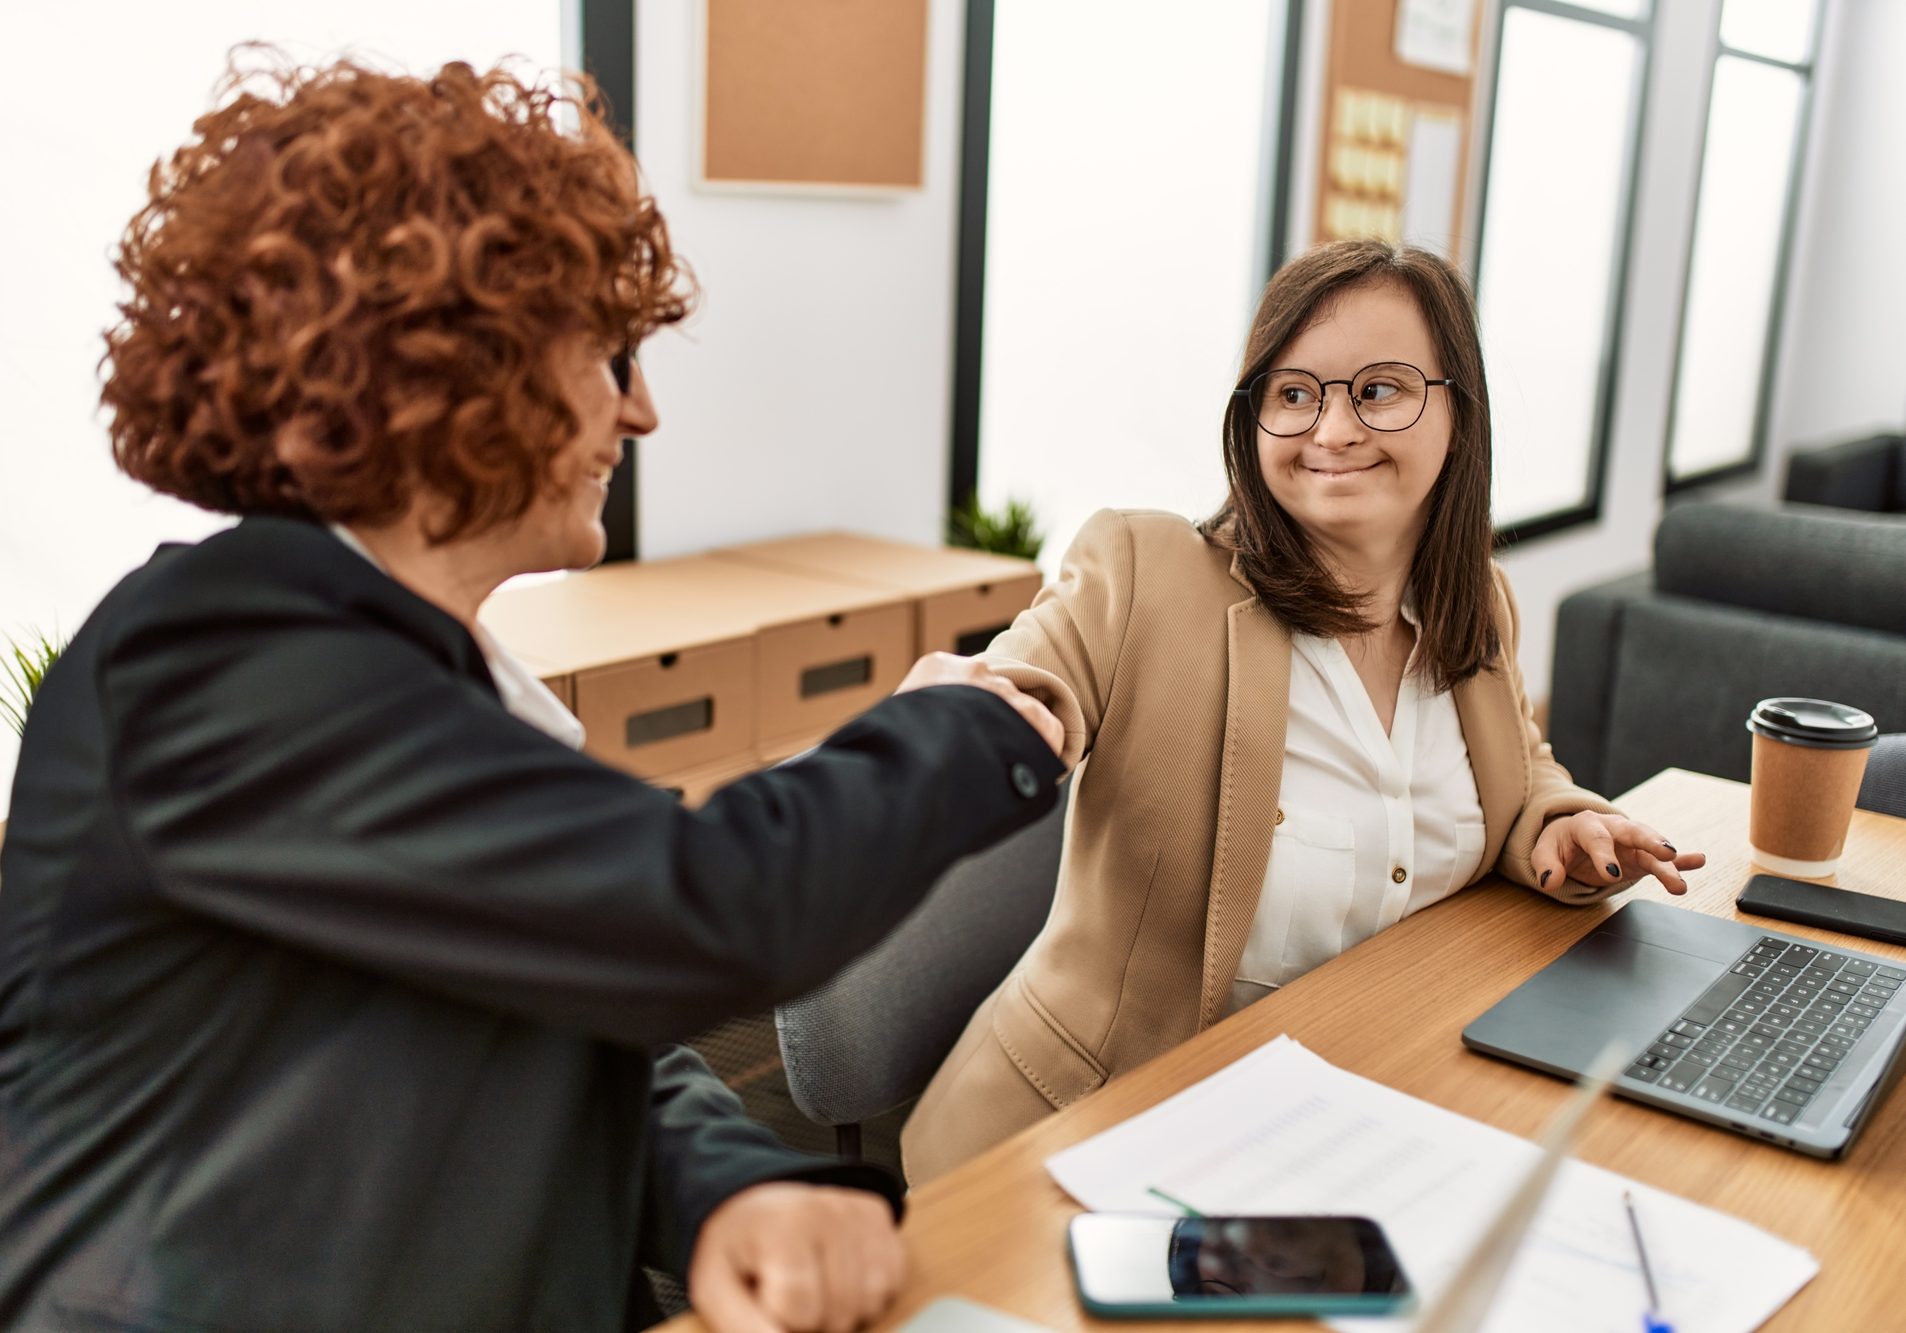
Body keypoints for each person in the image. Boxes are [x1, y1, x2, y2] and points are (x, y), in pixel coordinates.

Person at [0, 54, 1065, 1332]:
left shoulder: (417, 669)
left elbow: (568, 994)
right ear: (447, 368)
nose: (644, 412)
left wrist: (732, 1189)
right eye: (611, 357)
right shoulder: (216, 662)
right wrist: (960, 725)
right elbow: (692, 913)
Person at [900, 240, 1706, 1183]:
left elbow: (1515, 761)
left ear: (1458, 414)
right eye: (1293, 393)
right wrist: (972, 710)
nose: (1330, 429)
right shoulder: (1145, 572)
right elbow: (1033, 675)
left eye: (1380, 389)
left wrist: (1558, 820)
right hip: (1093, 1138)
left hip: (1358, 1120)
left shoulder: (1475, 599)